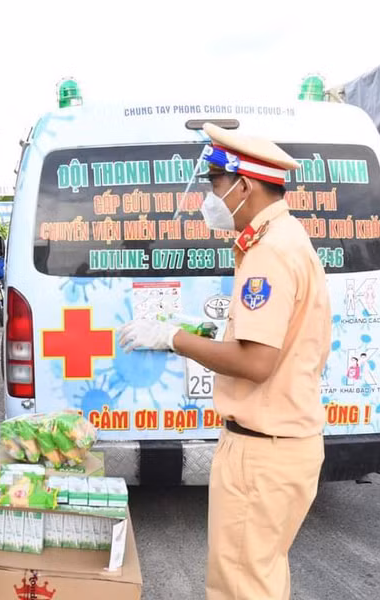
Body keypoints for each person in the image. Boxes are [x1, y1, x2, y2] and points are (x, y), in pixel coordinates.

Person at [118, 123, 330, 600]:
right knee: (260, 579)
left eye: (214, 185)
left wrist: (172, 338)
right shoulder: (288, 237)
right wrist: (213, 332)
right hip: (284, 445)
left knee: (239, 588)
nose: (209, 199)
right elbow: (275, 338)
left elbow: (256, 363)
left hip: (262, 452)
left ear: (244, 185)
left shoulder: (269, 252)